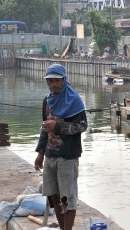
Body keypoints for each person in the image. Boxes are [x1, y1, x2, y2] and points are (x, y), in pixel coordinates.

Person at [34, 64, 87, 230]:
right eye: (50, 81)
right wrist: (40, 153)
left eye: (56, 80)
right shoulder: (47, 100)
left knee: (67, 198)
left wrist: (57, 127)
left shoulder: (74, 101)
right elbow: (44, 128)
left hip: (67, 157)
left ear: (64, 80)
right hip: (50, 156)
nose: (53, 84)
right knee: (53, 196)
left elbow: (82, 126)